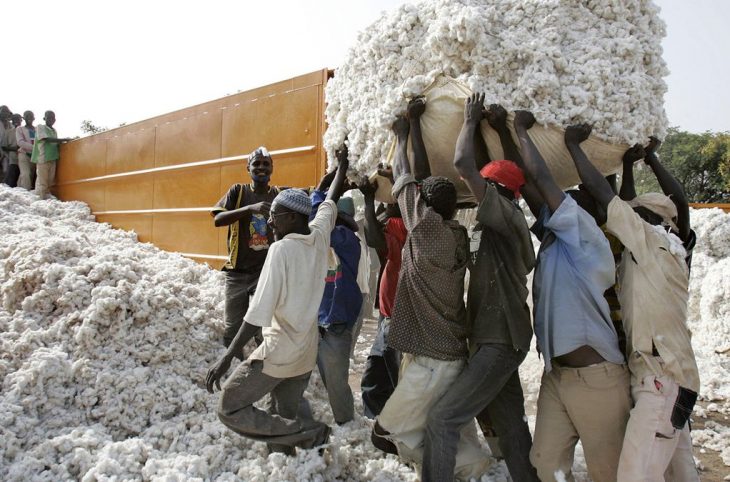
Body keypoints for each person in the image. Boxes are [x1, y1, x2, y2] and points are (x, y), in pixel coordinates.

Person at [566, 126, 701, 482]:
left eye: (637, 213)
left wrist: (572, 146)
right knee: (680, 472)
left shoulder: (648, 242)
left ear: (650, 221)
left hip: (661, 384)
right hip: (675, 379)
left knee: (635, 476)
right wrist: (640, 162)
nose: (630, 216)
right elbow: (674, 204)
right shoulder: (675, 248)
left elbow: (605, 196)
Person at [372, 98, 490, 480]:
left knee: (383, 432)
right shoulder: (455, 234)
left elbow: (406, 175)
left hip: (434, 362)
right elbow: (416, 181)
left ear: (420, 206)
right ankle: (464, 465)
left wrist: (405, 130)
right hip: (447, 353)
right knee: (441, 426)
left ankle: (446, 467)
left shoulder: (423, 230)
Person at [421, 95, 539, 482]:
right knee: (510, 424)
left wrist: (470, 121)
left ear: (496, 190)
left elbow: (461, 164)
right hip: (499, 337)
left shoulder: (505, 216)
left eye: (484, 184)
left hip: (500, 339)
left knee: (442, 418)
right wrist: (500, 129)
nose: (475, 188)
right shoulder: (497, 221)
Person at [205, 149, 350, 455]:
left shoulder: (280, 250)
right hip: (304, 354)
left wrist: (228, 358)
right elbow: (329, 201)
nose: (269, 223)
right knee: (280, 420)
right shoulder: (319, 234)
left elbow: (256, 314)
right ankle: (291, 463)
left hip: (278, 354)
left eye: (274, 217)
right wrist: (342, 166)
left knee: (228, 407)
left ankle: (312, 434)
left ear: (293, 217)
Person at [513, 111, 630, 482]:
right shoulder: (556, 241)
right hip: (558, 377)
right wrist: (501, 130)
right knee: (547, 463)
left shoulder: (587, 240)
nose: (557, 204)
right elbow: (529, 186)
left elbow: (544, 180)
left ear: (585, 213)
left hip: (597, 380)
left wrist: (527, 131)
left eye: (569, 200)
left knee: (607, 472)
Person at [211, 147, 280, 356]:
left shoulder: (277, 194)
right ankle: (232, 367)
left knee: (265, 328)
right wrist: (249, 209)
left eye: (265, 164)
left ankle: (264, 369)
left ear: (272, 169)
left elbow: (310, 192)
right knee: (232, 329)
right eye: (256, 164)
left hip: (264, 272)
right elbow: (218, 219)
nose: (261, 168)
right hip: (238, 272)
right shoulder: (238, 191)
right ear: (248, 168)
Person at [310, 170, 362, 425]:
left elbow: (316, 217)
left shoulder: (345, 239)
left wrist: (322, 189)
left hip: (335, 325)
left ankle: (346, 423)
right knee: (327, 378)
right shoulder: (325, 240)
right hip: (321, 322)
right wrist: (333, 175)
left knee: (336, 382)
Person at [359, 174, 405, 419]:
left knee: (390, 376)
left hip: (396, 318)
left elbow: (373, 236)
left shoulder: (401, 225)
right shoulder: (402, 222)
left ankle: (397, 427)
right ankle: (378, 424)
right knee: (376, 375)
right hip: (388, 315)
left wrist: (368, 199)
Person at [31, 110, 71, 199]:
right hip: (43, 158)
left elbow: (55, 143)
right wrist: (63, 139)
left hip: (52, 158)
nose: (51, 119)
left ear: (55, 120)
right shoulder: (40, 127)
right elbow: (46, 139)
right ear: (44, 118)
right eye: (49, 117)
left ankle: (42, 200)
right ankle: (41, 200)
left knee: (49, 182)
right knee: (43, 182)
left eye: (53, 118)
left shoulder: (54, 131)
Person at [16, 110, 36, 190]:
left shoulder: (37, 129)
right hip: (24, 154)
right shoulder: (20, 129)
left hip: (34, 156)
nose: (29, 117)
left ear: (34, 118)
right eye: (27, 116)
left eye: (31, 116)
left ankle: (18, 192)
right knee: (25, 174)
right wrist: (34, 148)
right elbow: (20, 142)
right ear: (24, 118)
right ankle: (26, 193)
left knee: (28, 175)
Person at [1, 111, 20, 187]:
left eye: (18, 120)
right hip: (12, 157)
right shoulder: (8, 132)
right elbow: (4, 147)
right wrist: (14, 149)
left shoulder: (25, 130)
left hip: (25, 157)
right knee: (11, 176)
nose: (16, 121)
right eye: (14, 120)